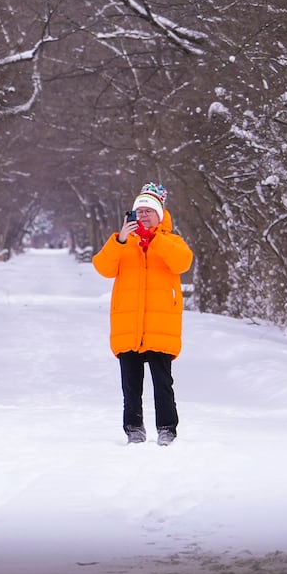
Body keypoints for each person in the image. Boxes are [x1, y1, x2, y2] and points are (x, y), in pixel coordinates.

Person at [92, 182, 194, 445]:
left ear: (160, 215)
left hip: (161, 324)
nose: (144, 216)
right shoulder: (122, 242)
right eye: (140, 211)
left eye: (150, 211)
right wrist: (121, 240)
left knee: (163, 382)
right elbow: (102, 267)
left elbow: (182, 262)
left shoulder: (171, 241)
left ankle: (167, 428)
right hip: (128, 323)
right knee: (131, 384)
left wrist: (156, 240)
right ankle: (133, 428)